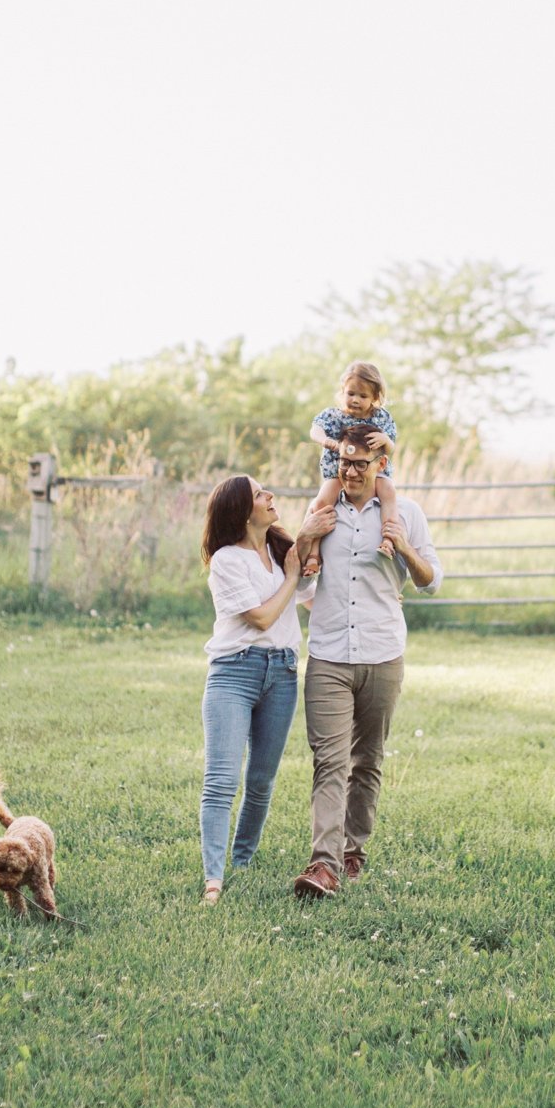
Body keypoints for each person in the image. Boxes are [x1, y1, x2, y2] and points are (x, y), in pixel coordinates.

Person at [291, 427, 442, 899]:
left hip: (383, 654)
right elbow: (298, 587)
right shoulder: (321, 512)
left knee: (368, 760)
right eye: (344, 462)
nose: (350, 471)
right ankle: (324, 865)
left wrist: (405, 549)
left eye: (360, 463)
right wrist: (302, 538)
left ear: (381, 464)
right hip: (329, 656)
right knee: (329, 761)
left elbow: (431, 581)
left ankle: (353, 850)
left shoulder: (406, 514)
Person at [198, 475, 314, 905]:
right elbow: (262, 619)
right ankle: (214, 878)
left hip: (283, 672)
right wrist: (291, 578)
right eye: (261, 493)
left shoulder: (282, 551)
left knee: (261, 781)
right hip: (234, 673)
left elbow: (311, 599)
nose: (270, 497)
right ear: (242, 510)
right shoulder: (228, 560)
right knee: (221, 781)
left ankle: (242, 862)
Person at [301, 361, 400, 576]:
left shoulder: (381, 417)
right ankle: (314, 554)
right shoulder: (334, 415)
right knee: (321, 502)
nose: (355, 400)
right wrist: (326, 441)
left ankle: (389, 540)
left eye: (363, 396)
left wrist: (384, 439)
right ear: (343, 392)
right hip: (339, 470)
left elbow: (390, 447)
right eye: (351, 393)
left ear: (375, 397)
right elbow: (314, 431)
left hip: (374, 471)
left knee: (389, 492)